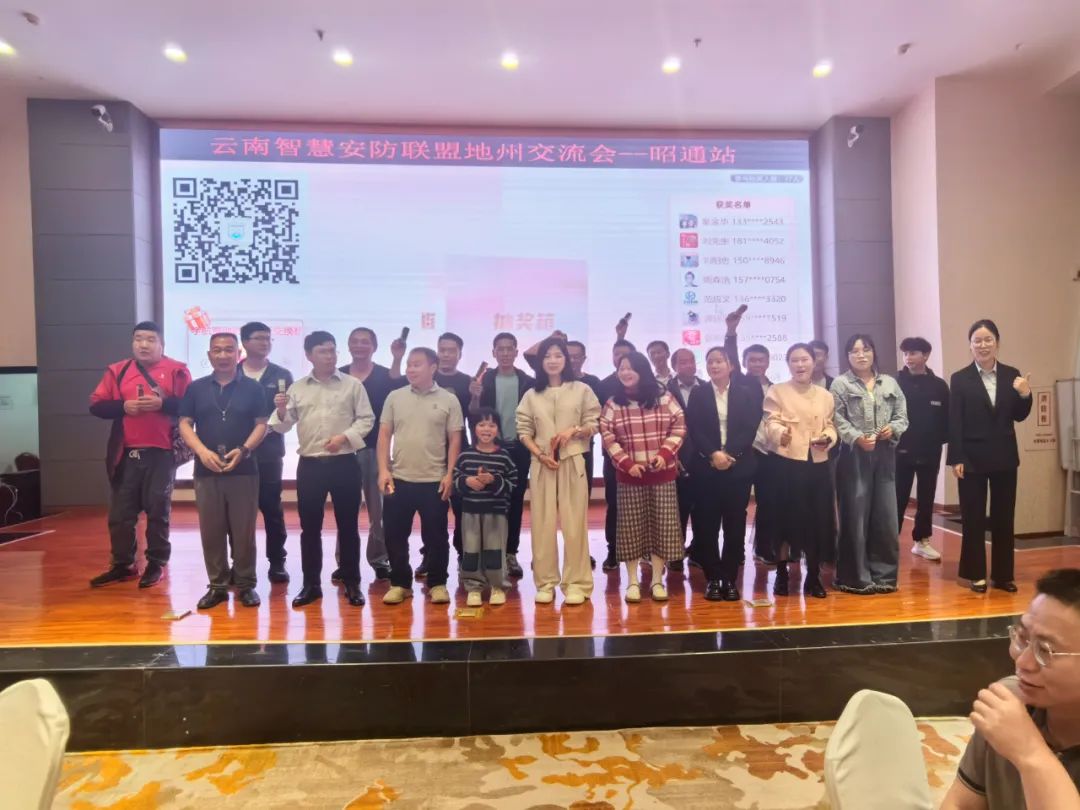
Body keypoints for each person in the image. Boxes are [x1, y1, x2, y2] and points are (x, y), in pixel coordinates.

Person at [941, 568, 1080, 809]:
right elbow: (961, 804)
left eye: (1045, 650)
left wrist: (1030, 753)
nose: (1023, 662)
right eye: (1023, 638)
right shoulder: (1011, 701)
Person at [270, 331, 374, 608]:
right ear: (309, 355)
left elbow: (366, 419)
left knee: (349, 526)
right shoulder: (298, 388)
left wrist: (344, 438)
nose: (330, 356)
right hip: (311, 466)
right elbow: (282, 426)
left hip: (345, 463)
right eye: (323, 351)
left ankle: (352, 581)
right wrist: (281, 411)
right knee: (310, 528)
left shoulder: (352, 385)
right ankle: (311, 585)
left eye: (332, 350)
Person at [88, 322, 192, 589]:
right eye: (138, 339)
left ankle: (156, 563)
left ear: (162, 344)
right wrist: (123, 407)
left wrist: (162, 404)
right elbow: (97, 406)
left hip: (162, 453)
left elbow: (191, 406)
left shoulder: (177, 370)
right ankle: (123, 564)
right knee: (120, 514)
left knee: (158, 511)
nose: (144, 345)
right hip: (125, 453)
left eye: (150, 339)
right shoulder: (118, 370)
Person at [178, 333, 268, 610]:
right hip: (207, 471)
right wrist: (201, 452)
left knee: (244, 531)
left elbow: (262, 424)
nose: (223, 355)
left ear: (238, 354)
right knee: (211, 530)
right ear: (209, 355)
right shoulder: (196, 388)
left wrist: (244, 449)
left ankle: (245, 583)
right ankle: (217, 585)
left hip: (244, 469)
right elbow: (184, 423)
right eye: (217, 350)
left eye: (229, 350)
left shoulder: (253, 388)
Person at [948, 319, 1032, 593]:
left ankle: (1003, 575)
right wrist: (956, 457)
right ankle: (975, 574)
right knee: (972, 518)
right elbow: (955, 421)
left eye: (988, 340)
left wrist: (1025, 395)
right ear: (970, 345)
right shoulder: (960, 378)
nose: (983, 345)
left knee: (1003, 517)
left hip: (1004, 456)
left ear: (997, 343)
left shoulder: (1011, 375)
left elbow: (1019, 415)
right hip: (971, 458)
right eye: (977, 340)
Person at [516, 336, 600, 605]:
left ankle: (576, 583)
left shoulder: (582, 389)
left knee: (575, 524)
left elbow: (594, 422)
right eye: (547, 356)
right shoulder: (531, 394)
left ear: (567, 360)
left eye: (558, 355)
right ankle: (545, 583)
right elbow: (523, 430)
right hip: (542, 464)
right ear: (540, 362)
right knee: (542, 524)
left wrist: (573, 431)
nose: (552, 361)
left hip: (572, 460)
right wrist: (540, 454)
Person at [379, 347, 464, 605]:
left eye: (417, 364)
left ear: (433, 367)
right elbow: (384, 434)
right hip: (399, 479)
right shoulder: (395, 396)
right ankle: (400, 583)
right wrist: (383, 469)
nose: (411, 369)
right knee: (394, 535)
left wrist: (449, 474)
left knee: (436, 536)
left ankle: (437, 583)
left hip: (434, 480)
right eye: (409, 364)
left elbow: (455, 439)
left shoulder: (449, 399)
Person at [600, 351, 686, 603]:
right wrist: (626, 463)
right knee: (630, 531)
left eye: (630, 368)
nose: (625, 372)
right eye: (621, 368)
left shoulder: (664, 397)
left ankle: (657, 580)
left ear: (642, 370)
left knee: (662, 529)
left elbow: (679, 426)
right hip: (630, 477)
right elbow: (607, 437)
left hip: (662, 475)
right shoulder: (613, 403)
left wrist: (664, 454)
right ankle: (632, 582)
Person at [830, 334, 908, 594]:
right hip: (853, 455)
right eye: (854, 351)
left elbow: (902, 416)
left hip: (885, 455)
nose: (860, 355)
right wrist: (856, 438)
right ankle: (854, 577)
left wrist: (893, 429)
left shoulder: (890, 383)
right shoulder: (841, 384)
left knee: (885, 516)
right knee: (855, 516)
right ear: (847, 356)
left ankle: (885, 577)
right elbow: (836, 418)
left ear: (874, 352)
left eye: (865, 349)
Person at [685, 346, 761, 601]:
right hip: (706, 468)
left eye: (719, 361)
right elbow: (694, 428)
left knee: (734, 524)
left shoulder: (746, 393)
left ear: (731, 365)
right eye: (710, 362)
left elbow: (750, 427)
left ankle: (729, 577)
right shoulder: (699, 393)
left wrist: (729, 454)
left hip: (737, 468)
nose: (714, 366)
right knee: (705, 524)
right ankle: (713, 578)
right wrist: (713, 454)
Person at [763, 343, 838, 599]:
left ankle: (813, 576)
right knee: (784, 521)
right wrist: (780, 433)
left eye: (805, 359)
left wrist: (828, 438)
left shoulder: (825, 395)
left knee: (817, 522)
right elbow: (770, 422)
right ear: (788, 364)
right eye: (794, 360)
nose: (800, 365)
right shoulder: (778, 391)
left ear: (814, 362)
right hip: (786, 464)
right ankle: (781, 574)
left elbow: (831, 426)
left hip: (817, 465)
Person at [338, 327, 405, 583]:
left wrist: (398, 358)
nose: (359, 346)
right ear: (348, 345)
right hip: (344, 450)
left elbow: (398, 385)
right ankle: (345, 562)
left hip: (376, 450)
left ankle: (379, 559)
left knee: (379, 510)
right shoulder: (338, 375)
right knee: (346, 510)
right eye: (354, 341)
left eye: (365, 342)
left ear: (374, 347)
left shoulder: (384, 375)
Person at [469, 332, 533, 579]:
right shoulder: (484, 380)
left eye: (509, 349)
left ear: (516, 352)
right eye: (500, 349)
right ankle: (488, 554)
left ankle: (510, 553)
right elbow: (473, 414)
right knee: (489, 500)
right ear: (493, 352)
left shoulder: (527, 381)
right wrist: (475, 395)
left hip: (519, 448)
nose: (505, 353)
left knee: (515, 501)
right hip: (492, 449)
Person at [239, 322, 294, 583]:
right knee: (238, 512)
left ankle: (277, 561)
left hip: (270, 453)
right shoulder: (232, 373)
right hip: (238, 453)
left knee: (272, 508)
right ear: (245, 342)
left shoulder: (281, 375)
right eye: (259, 338)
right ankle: (239, 563)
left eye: (268, 338)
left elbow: (289, 415)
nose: (265, 343)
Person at [452, 408, 518, 606]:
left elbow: (513, 483)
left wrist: (494, 480)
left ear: (498, 429)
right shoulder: (465, 455)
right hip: (470, 512)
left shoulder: (504, 456)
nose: (486, 429)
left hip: (496, 513)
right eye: (481, 424)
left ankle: (497, 586)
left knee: (495, 550)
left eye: (491, 425)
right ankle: (473, 587)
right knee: (471, 550)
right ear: (474, 428)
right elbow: (455, 479)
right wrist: (467, 481)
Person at [895, 336, 949, 562]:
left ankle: (922, 541)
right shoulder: (894, 382)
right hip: (900, 450)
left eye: (913, 353)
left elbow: (946, 418)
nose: (908, 358)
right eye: (905, 353)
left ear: (925, 356)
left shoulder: (939, 386)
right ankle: (890, 542)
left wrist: (937, 440)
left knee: (927, 497)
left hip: (930, 450)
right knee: (898, 497)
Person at [597, 338, 637, 571]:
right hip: (613, 456)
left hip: (642, 455)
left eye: (625, 355)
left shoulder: (645, 385)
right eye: (616, 354)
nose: (620, 359)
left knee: (641, 504)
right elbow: (599, 420)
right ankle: (613, 549)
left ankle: (642, 549)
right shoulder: (604, 385)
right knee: (614, 503)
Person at [667, 348, 705, 566]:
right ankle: (675, 553)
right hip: (677, 456)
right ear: (674, 366)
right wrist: (672, 453)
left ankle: (699, 551)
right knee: (677, 509)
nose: (688, 365)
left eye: (691, 361)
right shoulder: (665, 390)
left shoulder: (706, 387)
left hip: (703, 456)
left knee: (702, 508)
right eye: (682, 362)